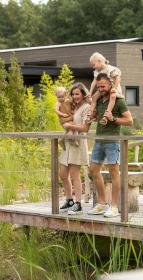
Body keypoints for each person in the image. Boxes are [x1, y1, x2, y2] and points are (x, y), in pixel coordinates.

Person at [88, 73, 133, 218]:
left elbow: (129, 121)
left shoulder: (119, 101)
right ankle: (102, 203)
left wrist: (113, 118)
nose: (100, 89)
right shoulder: (99, 101)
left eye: (103, 86)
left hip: (112, 142)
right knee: (93, 170)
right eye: (99, 86)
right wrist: (94, 117)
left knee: (114, 173)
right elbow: (99, 117)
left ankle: (114, 206)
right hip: (99, 140)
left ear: (110, 85)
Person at [58, 83, 92, 215]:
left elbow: (85, 128)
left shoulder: (87, 107)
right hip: (67, 143)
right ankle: (69, 200)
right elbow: (64, 120)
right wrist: (66, 125)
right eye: (73, 94)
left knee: (75, 175)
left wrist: (71, 126)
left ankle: (78, 204)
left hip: (78, 143)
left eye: (77, 94)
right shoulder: (71, 106)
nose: (75, 96)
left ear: (83, 94)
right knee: (63, 175)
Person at [86, 52, 124, 125]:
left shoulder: (110, 69)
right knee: (94, 97)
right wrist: (90, 92)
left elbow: (117, 78)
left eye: (94, 64)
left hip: (113, 87)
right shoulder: (97, 72)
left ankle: (106, 115)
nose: (93, 67)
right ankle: (90, 114)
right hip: (103, 90)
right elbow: (94, 82)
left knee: (113, 96)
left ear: (99, 61)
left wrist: (115, 88)